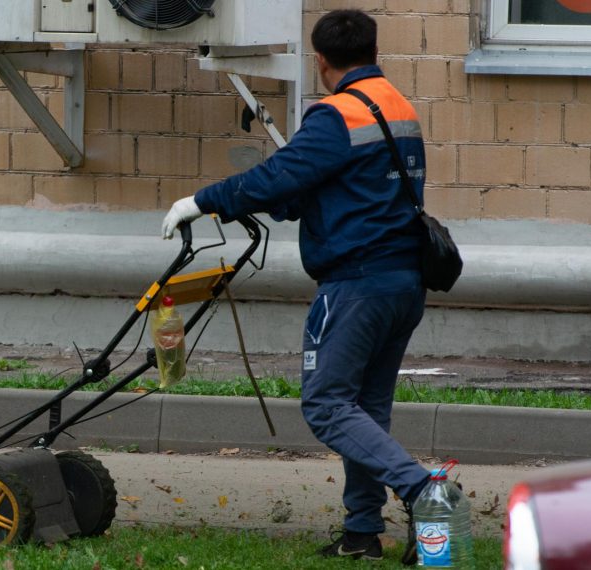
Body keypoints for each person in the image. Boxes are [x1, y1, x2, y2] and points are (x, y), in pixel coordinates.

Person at [162, 9, 434, 565]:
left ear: (320, 61)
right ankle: (362, 532)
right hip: (404, 281)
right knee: (366, 410)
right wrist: (286, 203)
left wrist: (201, 201)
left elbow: (278, 176)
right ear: (373, 51)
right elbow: (342, 188)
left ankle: (426, 493)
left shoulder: (335, 115)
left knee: (327, 405)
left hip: (355, 285)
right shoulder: (398, 106)